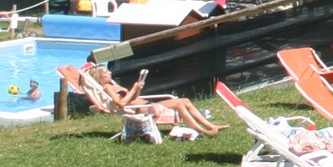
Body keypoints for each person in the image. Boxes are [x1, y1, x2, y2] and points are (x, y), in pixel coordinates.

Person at [83, 65, 228, 136]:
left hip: (146, 105)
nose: (109, 73)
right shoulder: (108, 88)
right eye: (105, 72)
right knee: (179, 103)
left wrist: (138, 88)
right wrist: (134, 89)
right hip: (142, 109)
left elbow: (132, 98)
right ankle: (202, 131)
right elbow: (121, 104)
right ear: (99, 77)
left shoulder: (114, 86)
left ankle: (211, 125)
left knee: (185, 101)